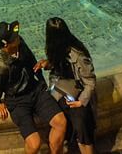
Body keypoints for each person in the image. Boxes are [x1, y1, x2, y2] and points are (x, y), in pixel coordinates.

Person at [0, 20, 67, 154]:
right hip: (17, 101)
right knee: (34, 143)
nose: (17, 37)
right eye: (14, 37)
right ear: (6, 45)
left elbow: (32, 62)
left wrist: (42, 82)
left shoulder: (20, 43)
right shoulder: (0, 65)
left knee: (61, 123)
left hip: (36, 90)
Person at [41, 17, 96, 154]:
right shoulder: (54, 48)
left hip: (77, 95)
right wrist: (47, 64)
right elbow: (59, 64)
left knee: (82, 126)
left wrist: (81, 102)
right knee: (56, 119)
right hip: (60, 90)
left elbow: (90, 81)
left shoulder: (79, 54)